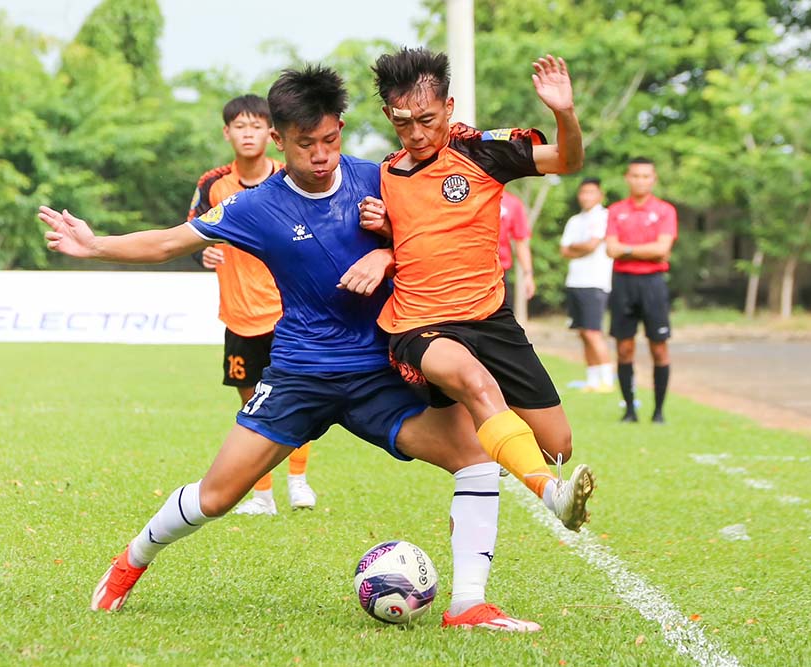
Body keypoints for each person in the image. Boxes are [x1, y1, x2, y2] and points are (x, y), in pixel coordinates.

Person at [40, 65, 543, 631]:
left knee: (476, 457)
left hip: (378, 373)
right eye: (306, 145)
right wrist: (94, 244)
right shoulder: (255, 207)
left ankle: (467, 604)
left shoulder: (377, 178)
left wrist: (387, 254)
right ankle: (131, 562)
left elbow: (431, 237)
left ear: (342, 130)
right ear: (280, 141)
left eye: (331, 140)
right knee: (216, 496)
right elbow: (168, 241)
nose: (322, 154)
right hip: (300, 375)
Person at [366, 47, 595, 530]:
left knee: (557, 445)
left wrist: (563, 111)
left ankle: (489, 435)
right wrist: (383, 239)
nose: (417, 133)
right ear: (389, 114)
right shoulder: (384, 173)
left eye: (428, 119)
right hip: (419, 325)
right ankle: (549, 493)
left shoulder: (481, 150)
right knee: (476, 381)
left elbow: (568, 161)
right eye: (404, 123)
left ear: (449, 108)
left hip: (489, 319)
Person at [187, 94, 315, 516]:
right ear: (227, 133)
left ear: (271, 133)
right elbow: (192, 236)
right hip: (239, 316)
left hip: (287, 312)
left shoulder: (290, 176)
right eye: (239, 127)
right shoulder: (213, 184)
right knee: (250, 404)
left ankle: (298, 481)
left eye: (255, 126)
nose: (247, 133)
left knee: (298, 398)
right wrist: (202, 255)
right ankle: (262, 496)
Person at [604, 157, 678, 423]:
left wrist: (627, 250)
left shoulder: (665, 211)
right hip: (623, 281)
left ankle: (659, 411)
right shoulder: (615, 211)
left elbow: (662, 249)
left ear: (653, 179)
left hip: (653, 284)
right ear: (627, 178)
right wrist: (643, 252)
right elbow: (610, 249)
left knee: (659, 347)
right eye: (636, 175)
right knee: (624, 348)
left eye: (646, 176)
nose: (640, 180)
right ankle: (630, 411)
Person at [559, 177, 614, 393]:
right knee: (582, 332)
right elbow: (564, 250)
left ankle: (607, 380)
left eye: (591, 192)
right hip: (575, 281)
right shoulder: (575, 220)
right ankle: (592, 380)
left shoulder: (605, 217)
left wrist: (577, 248)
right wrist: (580, 247)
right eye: (583, 192)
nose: (586, 197)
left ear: (600, 195)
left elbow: (593, 245)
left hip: (595, 281)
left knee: (593, 332)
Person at [498, 189, 534, 308]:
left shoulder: (512, 203)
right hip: (467, 271)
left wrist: (528, 274)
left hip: (499, 274)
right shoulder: (470, 194)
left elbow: (521, 241)